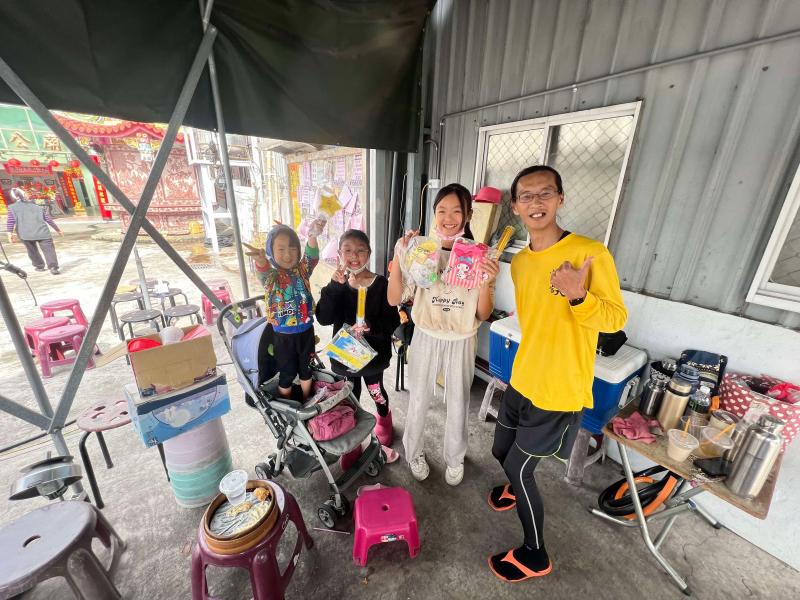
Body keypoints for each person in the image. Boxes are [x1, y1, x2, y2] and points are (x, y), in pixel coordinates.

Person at [486, 165, 627, 582]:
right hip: (524, 376)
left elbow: (615, 318)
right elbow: (535, 319)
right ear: (515, 207)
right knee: (500, 451)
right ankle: (514, 488)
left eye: (545, 193)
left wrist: (579, 295)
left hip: (559, 389)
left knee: (520, 467)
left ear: (560, 199)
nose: (536, 202)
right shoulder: (520, 263)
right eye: (526, 196)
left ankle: (534, 554)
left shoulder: (589, 253)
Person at [388, 183, 499, 486]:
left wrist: (486, 282)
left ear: (468, 215)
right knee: (418, 399)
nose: (448, 218)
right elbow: (394, 297)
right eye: (441, 211)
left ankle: (455, 457)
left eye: (456, 211)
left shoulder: (479, 255)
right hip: (426, 335)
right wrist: (400, 256)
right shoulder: (422, 251)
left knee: (459, 402)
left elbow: (483, 314)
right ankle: (413, 452)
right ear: (434, 214)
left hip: (462, 340)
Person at [316, 229, 400, 446]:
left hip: (373, 359)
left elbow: (393, 321)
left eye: (360, 250)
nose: (354, 256)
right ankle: (351, 436)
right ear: (339, 254)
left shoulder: (381, 284)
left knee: (376, 392)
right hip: (345, 359)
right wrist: (334, 287)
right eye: (348, 250)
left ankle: (384, 419)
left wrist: (371, 327)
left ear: (369, 254)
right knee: (350, 398)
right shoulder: (337, 285)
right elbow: (323, 318)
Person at [262, 224, 319, 400]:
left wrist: (312, 236)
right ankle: (287, 406)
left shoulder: (303, 270)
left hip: (306, 332)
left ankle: (307, 400)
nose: (288, 254)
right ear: (270, 252)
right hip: (282, 336)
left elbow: (311, 257)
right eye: (281, 249)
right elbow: (262, 269)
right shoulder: (270, 276)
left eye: (293, 248)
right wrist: (259, 260)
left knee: (306, 369)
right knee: (287, 373)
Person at [6, 187, 63, 274]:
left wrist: (9, 234)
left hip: (25, 234)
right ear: (24, 195)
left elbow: (10, 221)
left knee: (32, 251)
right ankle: (53, 267)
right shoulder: (37, 206)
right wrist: (58, 230)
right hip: (43, 232)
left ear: (13, 197)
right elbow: (48, 219)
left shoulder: (12, 208)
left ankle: (39, 266)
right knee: (49, 250)